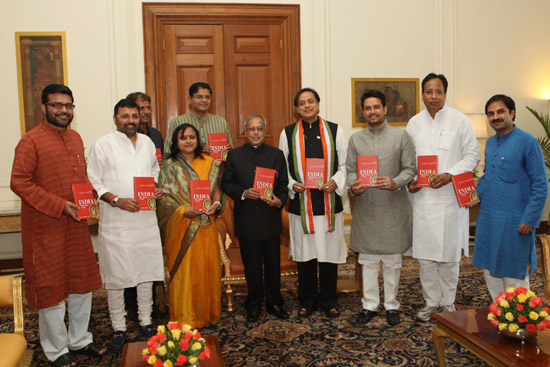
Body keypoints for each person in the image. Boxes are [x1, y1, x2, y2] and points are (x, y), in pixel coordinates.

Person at [10, 84, 105, 367]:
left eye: (68, 105)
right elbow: (19, 182)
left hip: (76, 226)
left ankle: (79, 339)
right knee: (51, 288)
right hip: (45, 227)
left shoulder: (75, 138)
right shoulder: (31, 141)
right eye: (57, 105)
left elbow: (80, 176)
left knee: (81, 284)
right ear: (44, 107)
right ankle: (55, 348)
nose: (63, 110)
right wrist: (59, 205)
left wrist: (90, 196)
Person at [87, 99, 164, 350]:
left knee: (146, 272)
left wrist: (155, 189)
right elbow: (93, 181)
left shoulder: (148, 142)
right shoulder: (103, 145)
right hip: (116, 221)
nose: (130, 120)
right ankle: (118, 326)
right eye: (124, 116)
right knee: (116, 276)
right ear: (115, 119)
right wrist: (116, 200)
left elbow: (154, 172)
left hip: (144, 218)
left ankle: (146, 320)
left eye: (134, 115)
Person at [406, 73, 480, 322]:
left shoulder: (460, 121)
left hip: (450, 199)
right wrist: (411, 182)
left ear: (445, 94)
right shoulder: (414, 123)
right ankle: (430, 303)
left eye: (438, 91)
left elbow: (472, 156)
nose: (433, 96)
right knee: (425, 256)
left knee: (449, 255)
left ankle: (448, 303)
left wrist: (449, 175)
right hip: (423, 200)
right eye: (428, 91)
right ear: (422, 95)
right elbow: (408, 161)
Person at [346, 89, 416, 326]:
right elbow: (350, 171)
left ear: (385, 109)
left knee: (392, 261)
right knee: (367, 260)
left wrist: (394, 181)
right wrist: (353, 185)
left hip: (392, 209)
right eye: (367, 108)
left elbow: (410, 168)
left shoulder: (401, 137)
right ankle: (369, 305)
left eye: (376, 107)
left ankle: (392, 305)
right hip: (367, 209)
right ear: (363, 111)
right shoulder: (356, 140)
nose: (372, 111)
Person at [278, 88, 348, 318]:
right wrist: (291, 184)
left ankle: (329, 300)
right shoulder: (287, 133)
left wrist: (336, 182)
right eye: (302, 103)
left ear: (318, 104)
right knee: (305, 255)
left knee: (328, 255)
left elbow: (346, 165)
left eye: (311, 101)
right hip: (301, 204)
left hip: (328, 203)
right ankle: (306, 300)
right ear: (296, 108)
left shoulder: (335, 131)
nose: (307, 106)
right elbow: (282, 168)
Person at [472, 94, 548, 300]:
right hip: (489, 217)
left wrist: (530, 219)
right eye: (491, 113)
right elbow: (488, 176)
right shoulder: (490, 143)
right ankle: (499, 315)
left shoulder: (527, 142)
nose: (495, 117)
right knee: (489, 268)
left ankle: (520, 322)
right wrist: (473, 195)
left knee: (514, 272)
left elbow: (541, 184)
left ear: (512, 113)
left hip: (515, 220)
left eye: (500, 112)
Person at [221, 114, 290, 322]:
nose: (256, 133)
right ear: (245, 132)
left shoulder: (276, 155)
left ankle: (275, 302)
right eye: (252, 129)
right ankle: (253, 304)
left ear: (265, 131)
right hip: (247, 220)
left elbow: (283, 185)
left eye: (260, 128)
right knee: (251, 266)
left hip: (270, 219)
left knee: (272, 265)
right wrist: (243, 193)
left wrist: (280, 201)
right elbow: (226, 183)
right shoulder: (234, 156)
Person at [157, 123, 223, 328]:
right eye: (183, 137)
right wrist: (182, 211)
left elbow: (216, 191)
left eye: (192, 137)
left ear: (198, 139)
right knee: (184, 271)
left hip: (205, 226)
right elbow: (165, 199)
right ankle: (185, 316)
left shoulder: (211, 163)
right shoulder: (169, 166)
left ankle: (205, 313)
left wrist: (217, 204)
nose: (188, 141)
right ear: (176, 142)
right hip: (182, 226)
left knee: (205, 268)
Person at [124, 91, 164, 321]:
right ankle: (131, 306)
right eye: (142, 108)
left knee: (150, 256)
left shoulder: (155, 135)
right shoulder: (123, 137)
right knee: (131, 258)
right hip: (130, 208)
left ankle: (151, 305)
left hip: (150, 206)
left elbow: (155, 167)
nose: (146, 112)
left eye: (148, 108)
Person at [164, 82, 233, 156]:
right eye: (199, 97)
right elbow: (168, 152)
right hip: (187, 167)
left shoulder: (221, 123)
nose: (204, 100)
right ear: (190, 99)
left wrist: (229, 150)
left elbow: (231, 152)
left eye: (207, 97)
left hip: (216, 167)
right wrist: (196, 151)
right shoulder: (177, 122)